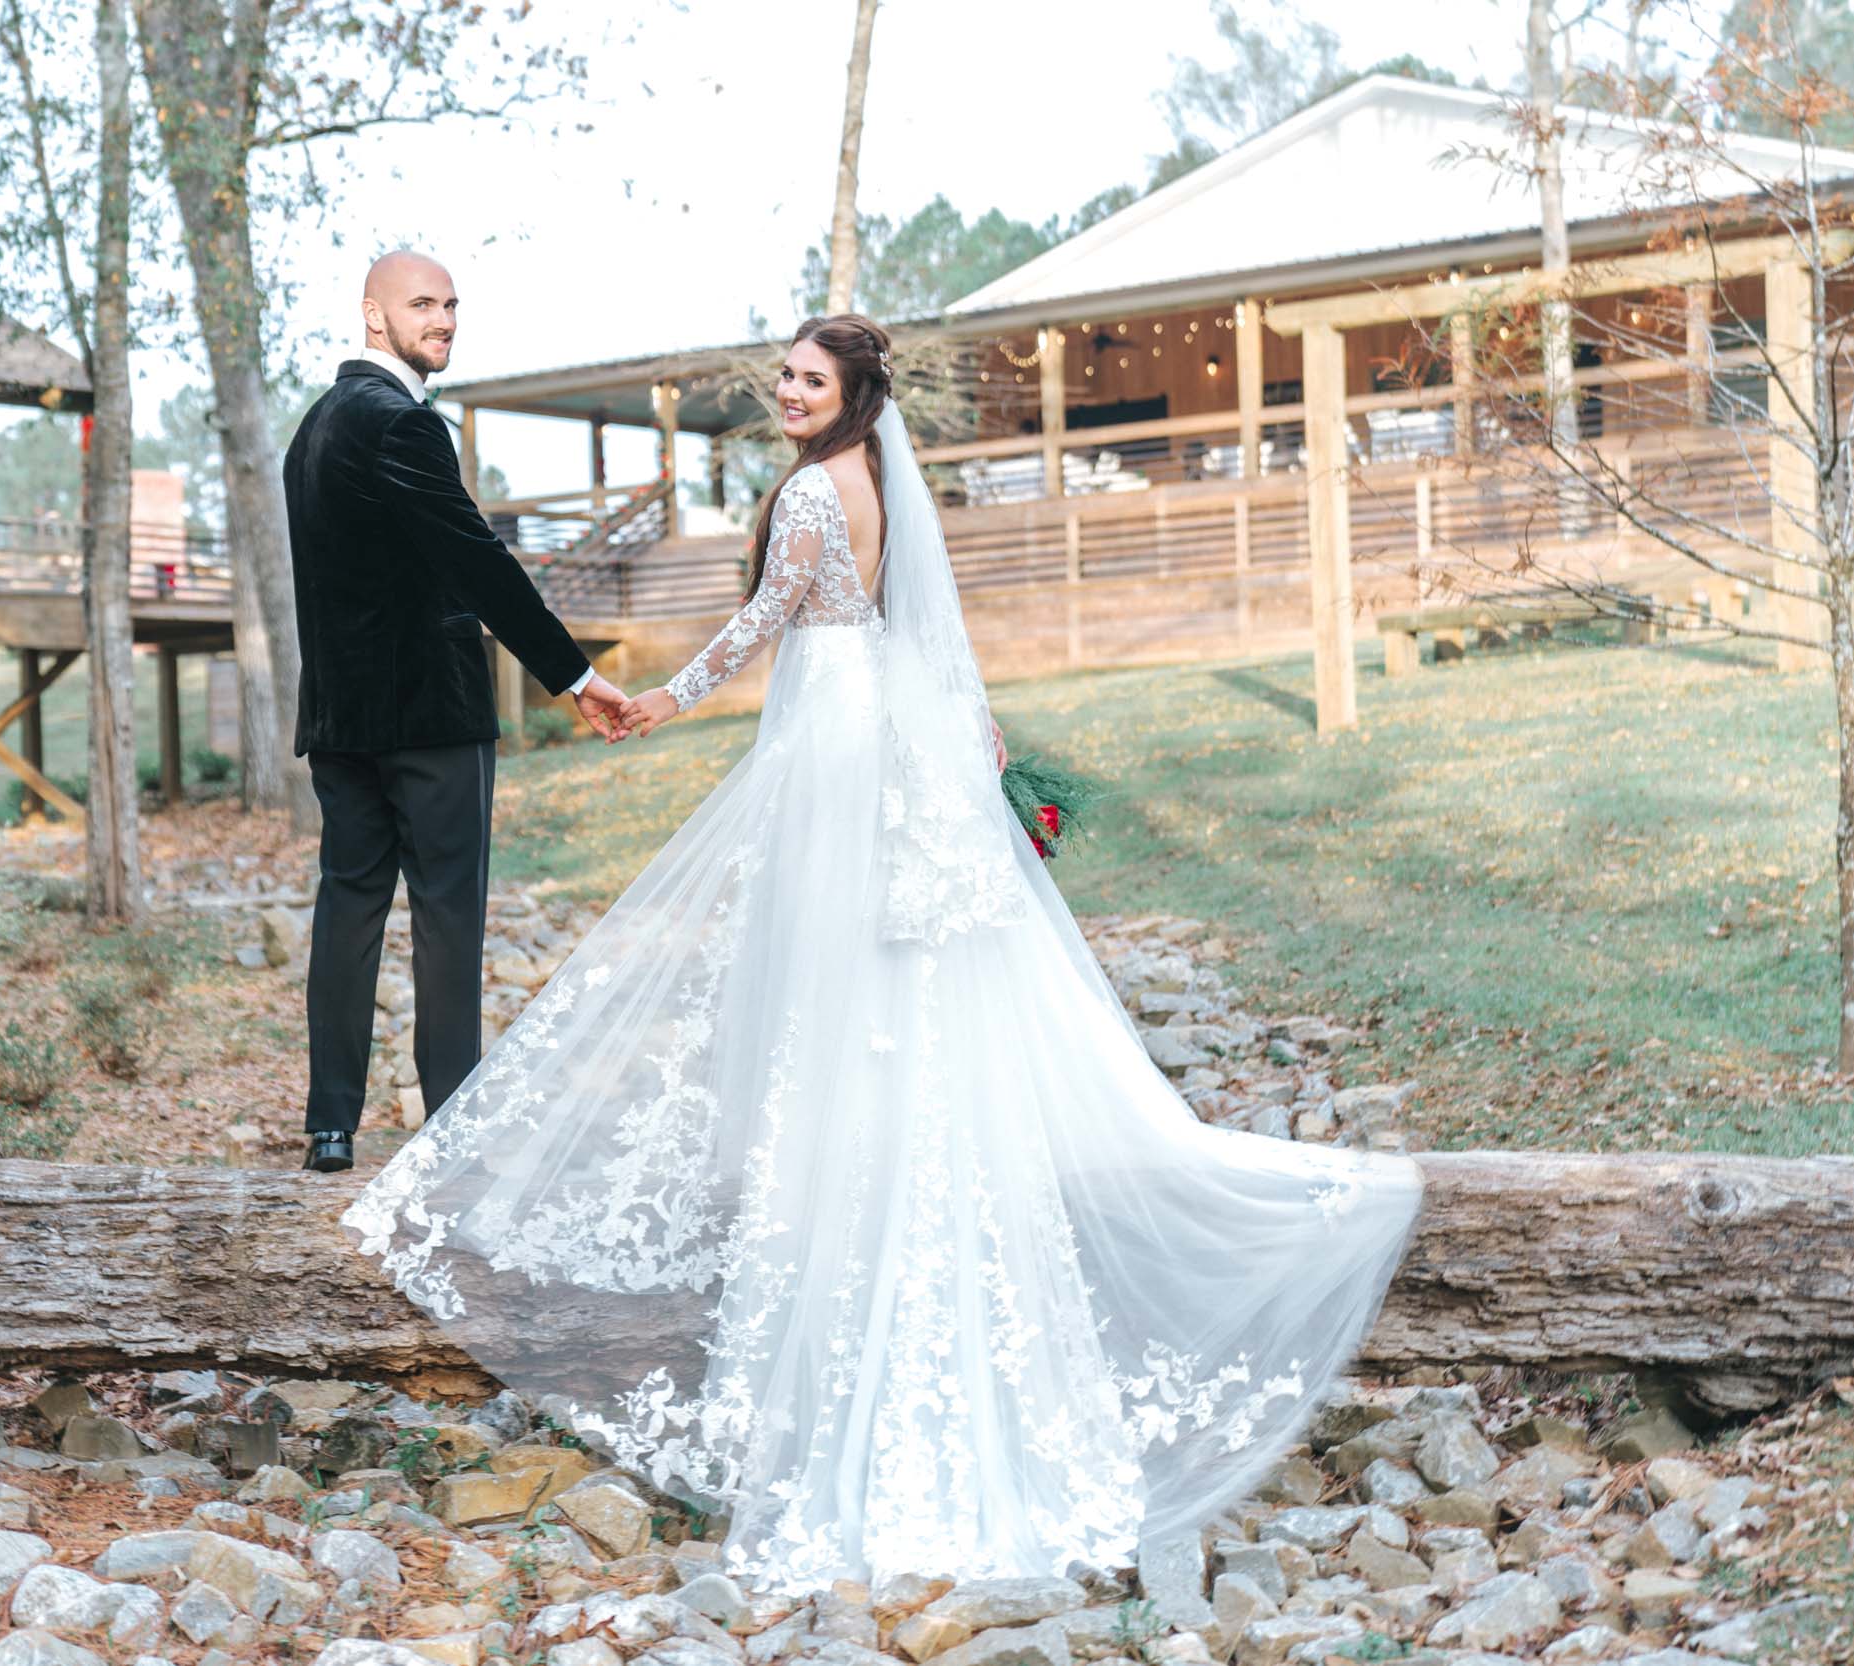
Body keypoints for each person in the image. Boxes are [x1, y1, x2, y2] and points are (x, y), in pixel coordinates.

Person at [338, 314, 1424, 1595]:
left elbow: (762, 626)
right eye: (784, 377)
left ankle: (835, 1270)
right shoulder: (881, 489)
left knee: (825, 1000)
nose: (787, 392)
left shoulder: (809, 493)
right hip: (889, 734)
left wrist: (653, 702)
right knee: (880, 1004)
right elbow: (924, 632)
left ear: (853, 396)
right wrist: (978, 732)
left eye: (809, 379)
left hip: (834, 752)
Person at [283, 250, 632, 1175]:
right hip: (428, 717)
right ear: (371, 315)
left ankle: (331, 1126)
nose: (442, 319)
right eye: (422, 305)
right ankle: (451, 1124)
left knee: (346, 910)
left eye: (450, 305)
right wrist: (573, 676)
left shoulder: (310, 431)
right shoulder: (398, 423)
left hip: (341, 721)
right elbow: (478, 561)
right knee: (447, 916)